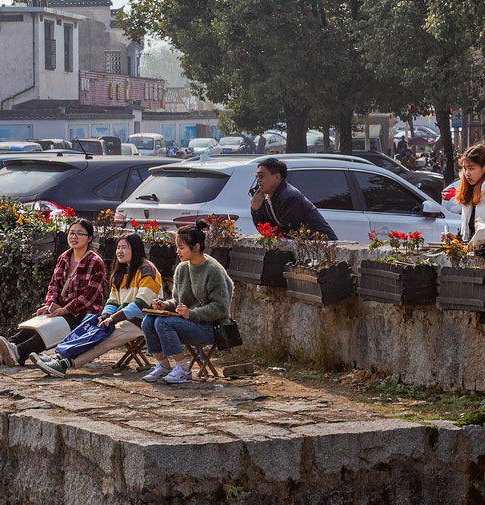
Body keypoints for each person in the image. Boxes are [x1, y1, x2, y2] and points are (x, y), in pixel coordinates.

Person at [32, 234, 162, 377]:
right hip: (121, 317)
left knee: (104, 337)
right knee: (91, 323)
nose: (119, 251)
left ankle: (66, 364)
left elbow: (141, 303)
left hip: (141, 321)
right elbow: (113, 301)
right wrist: (105, 315)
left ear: (136, 249)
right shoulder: (121, 271)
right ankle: (60, 356)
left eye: (124, 248)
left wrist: (114, 318)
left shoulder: (147, 271)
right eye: (118, 248)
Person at [0, 219, 105, 366]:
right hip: (61, 309)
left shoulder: (95, 261)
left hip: (83, 315)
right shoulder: (64, 258)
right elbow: (54, 286)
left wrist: (64, 310)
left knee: (54, 327)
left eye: (80, 234)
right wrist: (50, 305)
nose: (74, 237)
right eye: (72, 233)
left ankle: (18, 352)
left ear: (90, 238)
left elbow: (89, 297)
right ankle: (6, 347)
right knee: (41, 320)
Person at [141, 221, 234, 384]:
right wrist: (165, 305)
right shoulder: (182, 268)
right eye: (177, 247)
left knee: (163, 323)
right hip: (188, 322)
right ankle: (163, 365)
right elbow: (178, 300)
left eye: (181, 247)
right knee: (148, 321)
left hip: (210, 327)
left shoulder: (213, 270)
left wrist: (191, 313)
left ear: (196, 247)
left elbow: (221, 309)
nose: (177, 251)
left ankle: (183, 369)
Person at [250, 158, 337, 239]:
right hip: (298, 247)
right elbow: (266, 230)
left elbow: (285, 233)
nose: (258, 180)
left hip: (321, 247)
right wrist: (255, 209)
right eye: (256, 176)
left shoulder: (290, 197)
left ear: (277, 177)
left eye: (261, 176)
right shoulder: (266, 197)